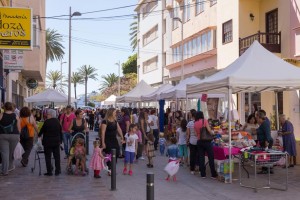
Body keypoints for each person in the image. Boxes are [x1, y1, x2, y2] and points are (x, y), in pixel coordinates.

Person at [194, 111, 218, 179]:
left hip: (199, 141)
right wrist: (213, 134)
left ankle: (203, 174)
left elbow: (196, 134)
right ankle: (213, 174)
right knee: (211, 157)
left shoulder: (195, 123)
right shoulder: (204, 121)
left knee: (201, 158)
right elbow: (209, 130)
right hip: (207, 141)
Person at [38, 109, 62, 176]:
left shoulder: (47, 122)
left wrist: (39, 135)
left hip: (47, 142)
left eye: (48, 114)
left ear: (51, 115)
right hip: (56, 141)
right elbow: (60, 131)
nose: (47, 115)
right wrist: (61, 140)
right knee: (57, 156)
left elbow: (42, 130)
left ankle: (49, 171)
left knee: (48, 157)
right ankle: (57, 170)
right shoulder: (57, 121)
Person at [101, 108, 124, 174]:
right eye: (114, 112)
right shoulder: (105, 121)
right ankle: (110, 169)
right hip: (107, 140)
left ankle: (112, 167)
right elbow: (103, 132)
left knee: (116, 153)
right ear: (111, 113)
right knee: (109, 154)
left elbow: (119, 129)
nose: (115, 113)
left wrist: (122, 138)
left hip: (114, 139)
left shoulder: (115, 121)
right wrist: (103, 143)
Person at [0, 102, 21, 176]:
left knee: (4, 153)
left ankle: (5, 171)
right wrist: (19, 136)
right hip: (14, 136)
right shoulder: (16, 115)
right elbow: (19, 127)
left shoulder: (1, 115)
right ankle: (10, 166)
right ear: (12, 107)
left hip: (3, 135)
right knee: (11, 152)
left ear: (4, 107)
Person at [187, 110, 199, 174]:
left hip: (192, 141)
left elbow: (188, 134)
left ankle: (192, 169)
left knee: (192, 155)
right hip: (199, 141)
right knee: (198, 154)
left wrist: (187, 140)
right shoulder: (199, 123)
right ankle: (197, 166)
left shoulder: (190, 123)